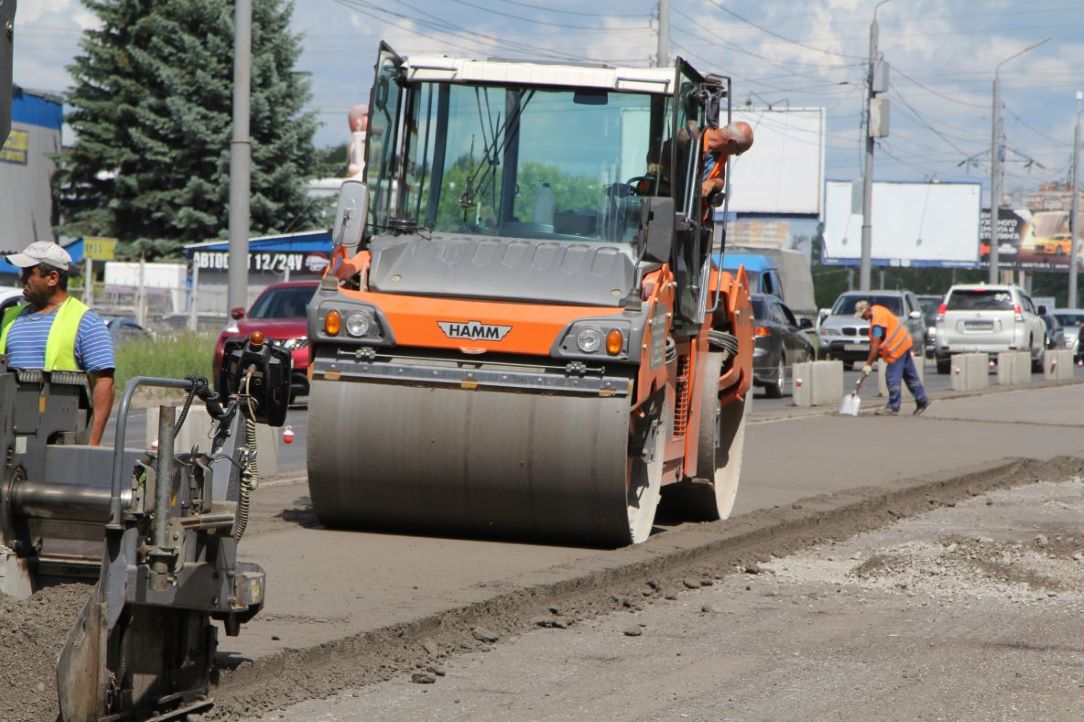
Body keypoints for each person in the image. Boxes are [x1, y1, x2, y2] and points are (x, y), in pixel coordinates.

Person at [0, 241, 115, 445]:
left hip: (57, 437)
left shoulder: (85, 321)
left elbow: (103, 384)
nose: (22, 278)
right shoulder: (10, 318)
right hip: (8, 431)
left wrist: (92, 444)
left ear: (52, 278)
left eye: (29, 272)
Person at [855, 299, 930, 416]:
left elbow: (875, 346)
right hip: (904, 344)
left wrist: (868, 364)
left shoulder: (877, 324)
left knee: (892, 378)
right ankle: (922, 400)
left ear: (868, 310)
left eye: (862, 315)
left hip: (896, 350)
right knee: (910, 376)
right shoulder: (878, 309)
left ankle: (893, 406)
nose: (862, 318)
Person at [700, 121, 754, 200]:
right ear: (731, 142)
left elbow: (720, 180)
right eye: (737, 152)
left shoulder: (722, 154)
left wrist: (712, 183)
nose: (735, 154)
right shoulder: (698, 138)